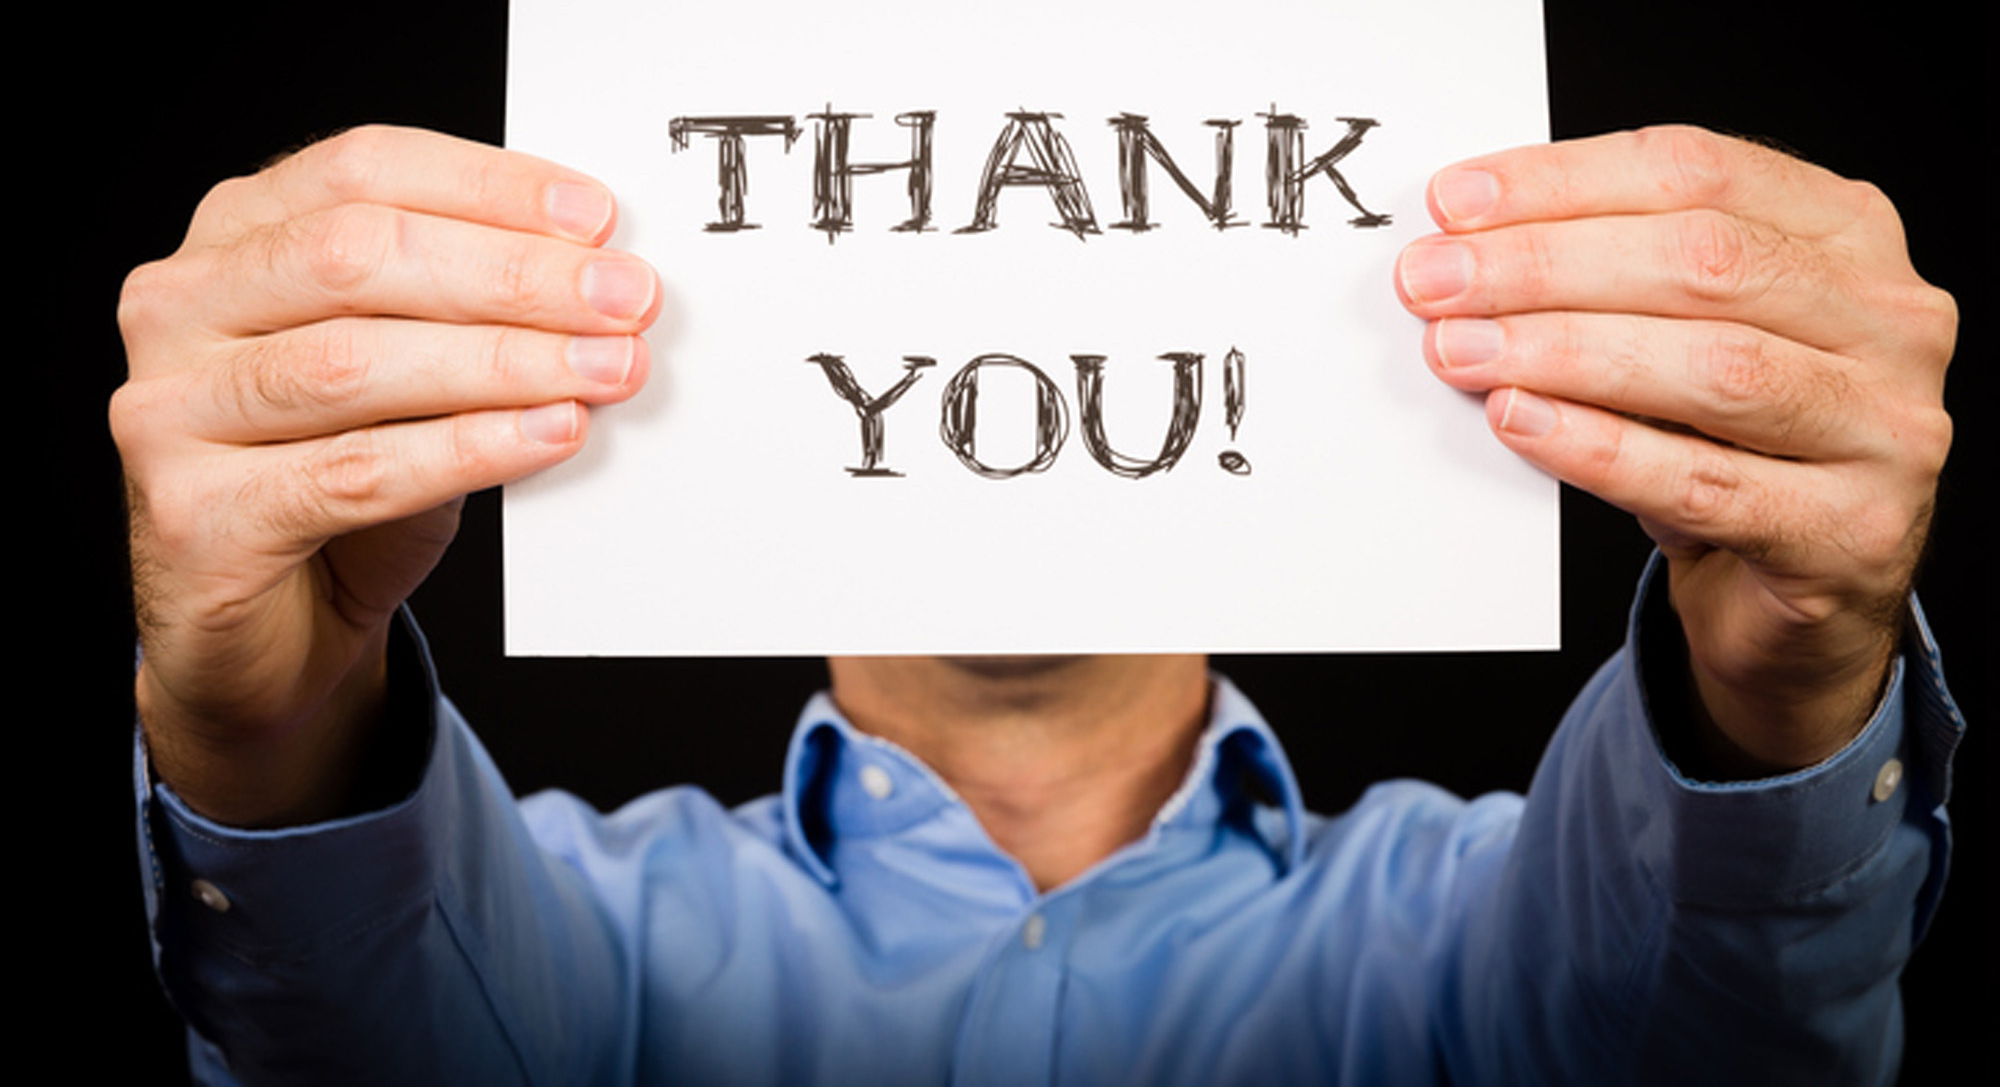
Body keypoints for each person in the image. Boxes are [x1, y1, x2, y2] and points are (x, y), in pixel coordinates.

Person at [119, 124, 1958, 1083]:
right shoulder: (580, 950)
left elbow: (1714, 1034)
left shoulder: (1473, 941)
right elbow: (359, 1041)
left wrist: (1786, 678)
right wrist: (267, 736)